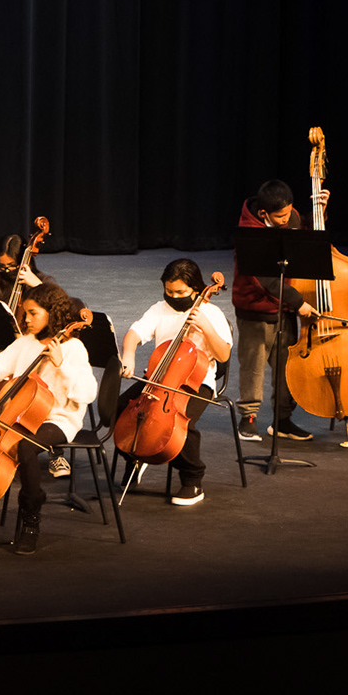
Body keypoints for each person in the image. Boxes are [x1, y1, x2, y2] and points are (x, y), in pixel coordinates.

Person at [0, 283, 96, 554]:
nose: (25, 320)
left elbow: (87, 393)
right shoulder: (25, 342)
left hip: (58, 419)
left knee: (26, 448)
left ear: (52, 313)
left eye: (32, 313)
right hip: (18, 415)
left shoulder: (73, 348)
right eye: (24, 313)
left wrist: (60, 365)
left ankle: (30, 519)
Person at [118, 258, 232, 507]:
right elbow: (134, 333)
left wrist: (205, 327)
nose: (173, 296)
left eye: (179, 292)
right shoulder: (159, 309)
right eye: (168, 291)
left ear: (195, 288)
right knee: (121, 408)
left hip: (197, 382)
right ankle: (136, 457)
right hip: (158, 377)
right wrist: (129, 355)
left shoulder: (211, 313)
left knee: (180, 424)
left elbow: (223, 355)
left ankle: (192, 479)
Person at [232, 178, 326, 442]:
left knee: (287, 367)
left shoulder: (291, 215)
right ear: (264, 213)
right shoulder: (249, 233)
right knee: (254, 366)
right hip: (255, 309)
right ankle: (247, 420)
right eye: (281, 216)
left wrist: (319, 212)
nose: (287, 219)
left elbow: (306, 238)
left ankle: (282, 421)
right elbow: (265, 279)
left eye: (289, 213)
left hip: (285, 306)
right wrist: (299, 302)